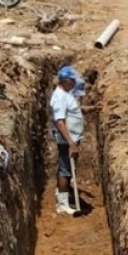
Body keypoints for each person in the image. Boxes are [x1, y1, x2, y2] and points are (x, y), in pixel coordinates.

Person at [50, 66, 85, 216]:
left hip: (72, 139)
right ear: (66, 80)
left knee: (67, 168)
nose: (74, 83)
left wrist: (91, 108)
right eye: (72, 80)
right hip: (67, 140)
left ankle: (64, 196)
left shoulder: (65, 94)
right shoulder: (59, 97)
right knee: (65, 169)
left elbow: (73, 111)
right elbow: (59, 122)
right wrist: (70, 143)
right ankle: (63, 205)